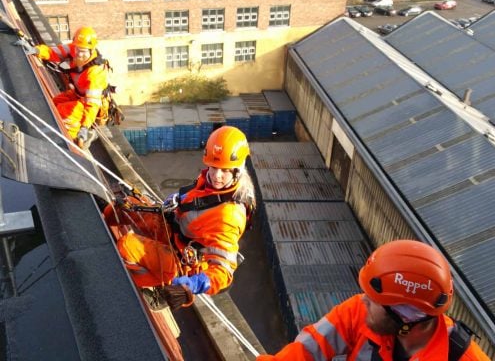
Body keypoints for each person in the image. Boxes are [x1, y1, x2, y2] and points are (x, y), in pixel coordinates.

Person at [257, 240, 490, 361]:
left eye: (376, 299)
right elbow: (304, 352)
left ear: (405, 316)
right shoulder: (358, 312)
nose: (364, 300)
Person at [115, 125, 256, 309]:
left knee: (127, 246)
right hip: (175, 230)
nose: (216, 175)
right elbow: (193, 201)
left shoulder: (229, 215)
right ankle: (105, 213)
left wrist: (192, 285)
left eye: (224, 170)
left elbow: (224, 271)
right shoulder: (210, 182)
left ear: (237, 170)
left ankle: (159, 287)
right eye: (213, 167)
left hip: (182, 261)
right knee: (129, 204)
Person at [16, 26, 111, 148]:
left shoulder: (96, 73)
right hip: (77, 94)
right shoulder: (73, 49)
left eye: (83, 51)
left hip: (92, 105)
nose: (78, 54)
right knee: (53, 104)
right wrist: (36, 50)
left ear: (91, 50)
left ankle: (72, 142)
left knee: (65, 114)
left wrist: (84, 127)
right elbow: (54, 52)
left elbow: (92, 104)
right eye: (77, 49)